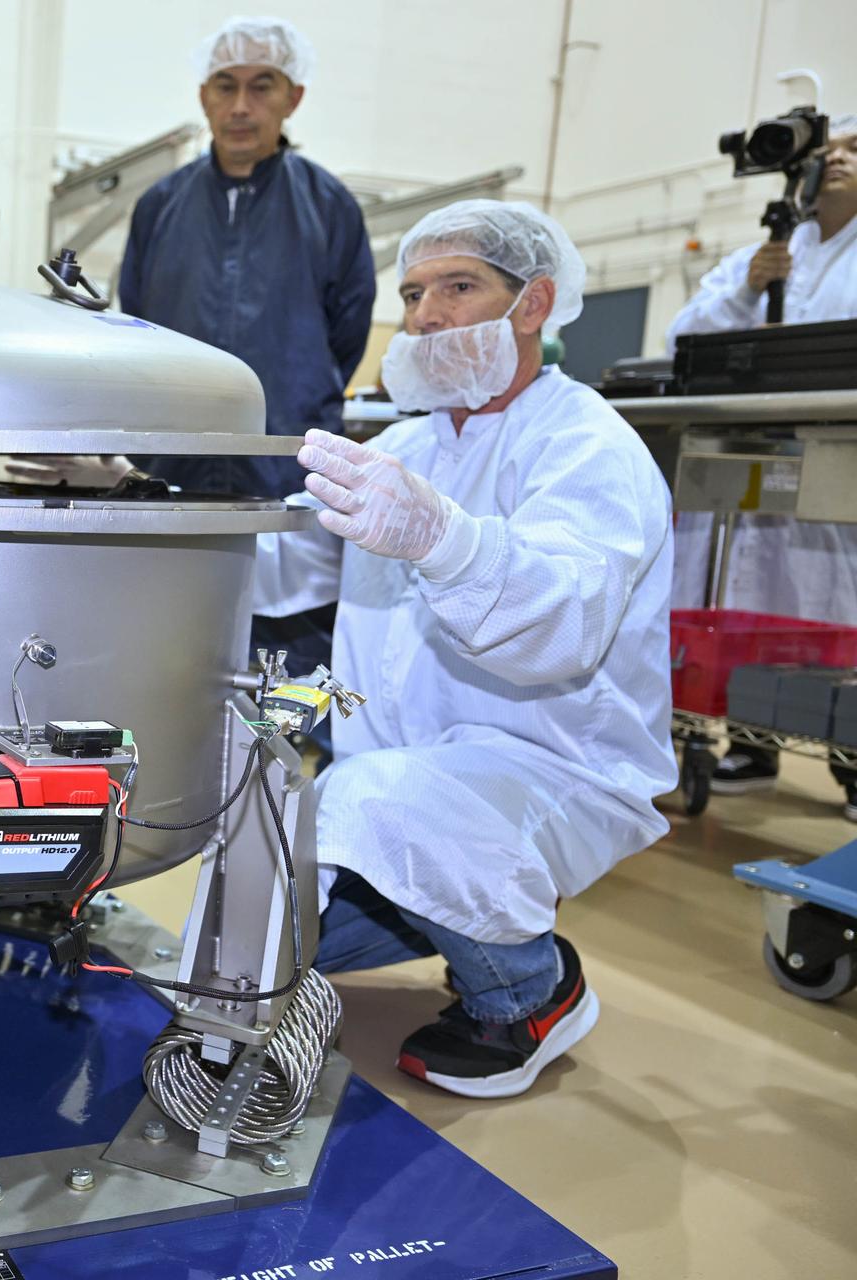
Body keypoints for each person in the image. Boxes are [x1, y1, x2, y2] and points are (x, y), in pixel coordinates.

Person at [255, 200, 675, 1098]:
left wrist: (444, 540)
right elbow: (283, 563)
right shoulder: (405, 444)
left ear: (534, 303)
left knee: (375, 802)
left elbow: (561, 627)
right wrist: (132, 515)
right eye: (412, 293)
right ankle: (442, 913)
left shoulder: (586, 445)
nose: (427, 314)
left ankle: (527, 992)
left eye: (458, 286)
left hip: (551, 769)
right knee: (243, 926)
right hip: (408, 776)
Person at [116, 16, 376, 718]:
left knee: (284, 693)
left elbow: (345, 335)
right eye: (226, 87)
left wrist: (288, 403)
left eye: (261, 87)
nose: (241, 106)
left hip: (287, 477)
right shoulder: (160, 209)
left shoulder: (330, 209)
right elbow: (135, 331)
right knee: (169, 681)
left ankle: (281, 818)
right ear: (204, 97)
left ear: (292, 98)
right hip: (173, 478)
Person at [664, 115, 857, 809]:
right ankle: (751, 742)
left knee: (825, 606)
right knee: (750, 600)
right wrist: (747, 286)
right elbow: (681, 337)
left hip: (839, 458)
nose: (836, 158)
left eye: (854, 149)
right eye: (829, 147)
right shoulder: (769, 250)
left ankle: (849, 762)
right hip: (752, 454)